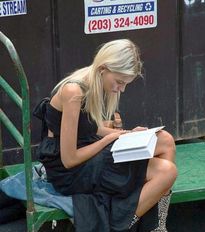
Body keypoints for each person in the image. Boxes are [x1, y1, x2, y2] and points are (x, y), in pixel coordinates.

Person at [33, 39, 177, 232]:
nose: (122, 89)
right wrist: (111, 138)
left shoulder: (94, 79)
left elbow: (90, 128)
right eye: (119, 82)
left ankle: (157, 225)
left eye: (125, 84)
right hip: (70, 171)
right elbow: (69, 160)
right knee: (167, 171)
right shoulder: (74, 92)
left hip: (89, 149)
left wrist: (125, 134)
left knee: (165, 140)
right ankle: (122, 225)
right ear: (103, 69)